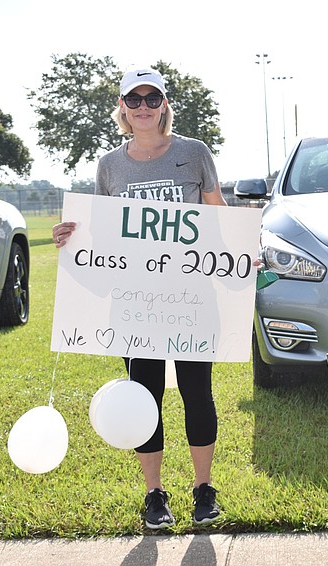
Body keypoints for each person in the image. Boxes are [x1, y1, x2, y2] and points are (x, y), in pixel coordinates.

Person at [52, 67, 226, 529]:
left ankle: (203, 490)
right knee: (143, 394)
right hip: (136, 301)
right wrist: (71, 236)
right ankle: (154, 495)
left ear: (165, 105)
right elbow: (103, 231)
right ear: (123, 107)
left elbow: (217, 214)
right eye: (136, 99)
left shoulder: (194, 153)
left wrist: (241, 251)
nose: (144, 107)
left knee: (197, 393)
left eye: (153, 99)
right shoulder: (110, 165)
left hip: (191, 297)